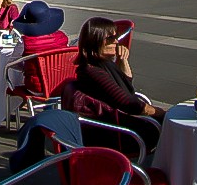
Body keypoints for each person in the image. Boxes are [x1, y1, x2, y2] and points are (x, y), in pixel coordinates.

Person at [70, 17, 164, 150]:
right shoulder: (93, 72)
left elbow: (126, 83)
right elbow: (127, 103)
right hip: (121, 134)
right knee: (172, 126)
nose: (116, 41)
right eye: (110, 38)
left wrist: (122, 60)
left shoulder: (101, 63)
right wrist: (161, 112)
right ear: (95, 41)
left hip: (120, 124)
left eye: (115, 37)